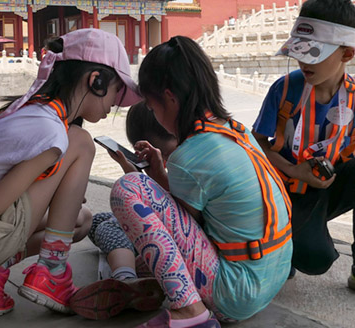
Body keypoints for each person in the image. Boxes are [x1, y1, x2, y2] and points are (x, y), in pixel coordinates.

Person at [82, 36, 293, 327]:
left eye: (153, 109)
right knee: (119, 226)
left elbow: (182, 227)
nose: (156, 116)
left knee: (128, 190)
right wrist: (159, 176)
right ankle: (141, 285)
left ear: (170, 98)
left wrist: (139, 178)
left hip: (234, 294)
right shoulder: (235, 131)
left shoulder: (190, 154)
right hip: (268, 278)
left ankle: (190, 311)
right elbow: (185, 220)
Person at [0, 28, 140, 317]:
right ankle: (52, 273)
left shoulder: (32, 109)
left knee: (80, 220)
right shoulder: (52, 132)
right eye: (117, 91)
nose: (115, 104)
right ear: (96, 81)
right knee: (81, 142)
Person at [252, 0, 355, 303]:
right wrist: (295, 170)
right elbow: (257, 143)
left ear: (347, 54)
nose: (303, 62)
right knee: (314, 260)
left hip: (330, 187)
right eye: (299, 51)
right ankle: (286, 247)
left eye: (314, 55)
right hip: (287, 194)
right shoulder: (284, 90)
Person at [70, 102, 177, 320]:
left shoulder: (180, 161)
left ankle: (125, 278)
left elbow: (163, 204)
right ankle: (133, 269)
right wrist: (131, 169)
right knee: (98, 220)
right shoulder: (187, 150)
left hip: (177, 238)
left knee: (111, 225)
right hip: (172, 227)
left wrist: (133, 175)